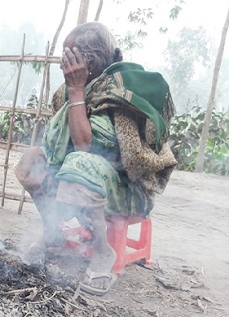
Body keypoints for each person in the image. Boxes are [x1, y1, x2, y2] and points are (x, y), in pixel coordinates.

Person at [15, 22, 177, 296]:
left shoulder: (121, 92)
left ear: (88, 62)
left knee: (80, 163)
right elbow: (58, 148)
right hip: (76, 180)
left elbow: (86, 147)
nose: (63, 65)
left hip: (124, 187)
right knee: (32, 160)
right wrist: (75, 90)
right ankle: (53, 232)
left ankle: (103, 252)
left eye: (70, 57)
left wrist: (77, 89)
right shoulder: (71, 92)